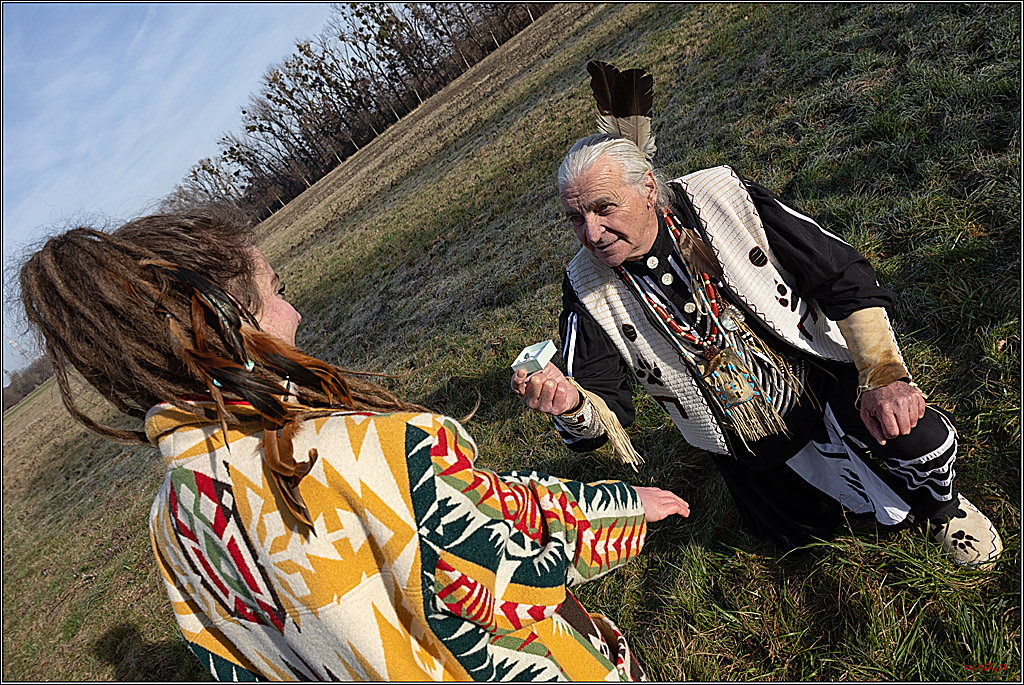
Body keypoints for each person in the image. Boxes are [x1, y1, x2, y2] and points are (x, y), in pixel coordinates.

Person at [19, 210, 690, 681]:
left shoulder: (171, 523)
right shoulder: (356, 449)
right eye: (276, 292)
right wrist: (621, 506)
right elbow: (510, 564)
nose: (294, 313)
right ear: (229, 325)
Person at [511, 62, 1002, 568]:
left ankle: (944, 507)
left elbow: (839, 274)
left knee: (910, 431)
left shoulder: (721, 197)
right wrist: (569, 404)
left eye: (604, 208)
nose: (592, 233)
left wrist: (882, 374)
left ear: (650, 190)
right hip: (744, 444)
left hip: (819, 380)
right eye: (576, 217)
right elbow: (599, 414)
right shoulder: (585, 284)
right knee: (808, 537)